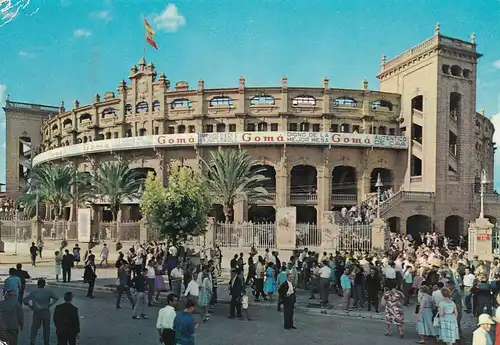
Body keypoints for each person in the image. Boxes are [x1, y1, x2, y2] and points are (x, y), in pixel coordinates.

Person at [23, 278, 59, 345]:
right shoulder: (48, 291)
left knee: (34, 328)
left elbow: (25, 301)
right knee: (46, 329)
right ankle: (46, 342)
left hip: (37, 312)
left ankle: (32, 342)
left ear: (37, 284)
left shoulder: (34, 292)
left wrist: (31, 307)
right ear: (44, 284)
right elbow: (56, 298)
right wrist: (50, 305)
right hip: (46, 311)